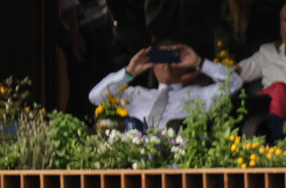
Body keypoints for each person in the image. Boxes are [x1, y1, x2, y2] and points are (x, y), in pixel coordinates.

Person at [89, 42, 239, 132]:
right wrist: (129, 72)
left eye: (172, 58)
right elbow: (96, 96)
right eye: (160, 58)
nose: (166, 64)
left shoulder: (200, 95)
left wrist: (200, 63)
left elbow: (235, 82)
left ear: (184, 66)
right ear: (152, 67)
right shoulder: (135, 94)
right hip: (134, 158)